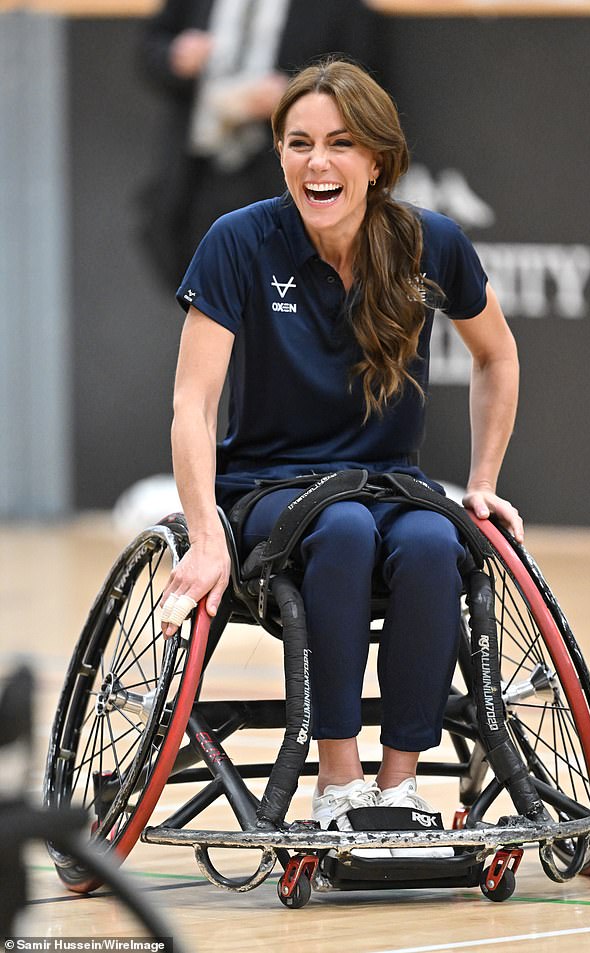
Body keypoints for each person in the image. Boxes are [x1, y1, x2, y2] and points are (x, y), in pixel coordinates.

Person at [160, 59, 523, 854]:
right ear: (280, 154)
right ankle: (337, 782)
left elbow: (498, 356)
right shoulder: (239, 242)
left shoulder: (432, 243)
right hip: (269, 488)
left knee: (435, 542)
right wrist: (205, 528)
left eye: (340, 143)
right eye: (298, 143)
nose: (317, 162)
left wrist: (485, 480)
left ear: (377, 161)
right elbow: (193, 402)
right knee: (345, 530)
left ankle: (398, 788)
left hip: (390, 483)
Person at [137, 0, 378, 289]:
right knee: (205, 295)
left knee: (286, 298)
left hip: (282, 174)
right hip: (199, 169)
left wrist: (294, 98)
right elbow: (150, 45)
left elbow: (362, 80)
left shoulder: (337, 8)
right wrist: (175, 55)